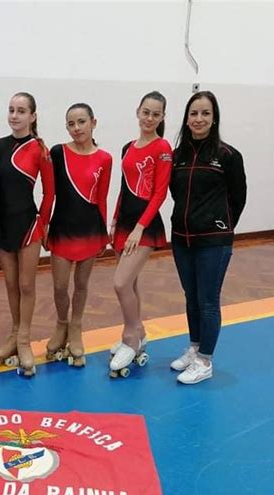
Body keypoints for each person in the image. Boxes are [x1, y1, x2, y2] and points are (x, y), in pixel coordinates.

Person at [169, 91, 247, 384]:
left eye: (205, 113)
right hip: (181, 238)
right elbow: (175, 193)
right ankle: (194, 347)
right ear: (187, 119)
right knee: (191, 298)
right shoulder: (177, 156)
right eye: (193, 113)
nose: (198, 119)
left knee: (208, 301)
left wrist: (221, 226)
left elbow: (238, 197)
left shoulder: (227, 155)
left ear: (214, 119)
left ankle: (205, 360)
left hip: (214, 241)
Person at [0, 92, 54, 376]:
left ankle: (25, 340)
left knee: (27, 285)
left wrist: (44, 222)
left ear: (33, 116)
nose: (14, 116)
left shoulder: (40, 149)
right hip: (2, 226)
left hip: (29, 226)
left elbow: (50, 192)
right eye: (11, 110)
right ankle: (15, 335)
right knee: (11, 284)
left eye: (21, 111)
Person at [109, 91, 172, 376]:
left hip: (145, 227)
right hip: (124, 223)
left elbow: (159, 194)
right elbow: (124, 188)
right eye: (146, 112)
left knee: (121, 283)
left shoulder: (163, 148)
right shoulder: (127, 147)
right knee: (130, 283)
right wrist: (115, 220)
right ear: (138, 111)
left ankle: (130, 340)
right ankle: (140, 332)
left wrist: (139, 228)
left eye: (156, 114)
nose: (149, 118)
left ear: (162, 117)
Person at [47, 103, 112, 367]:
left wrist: (104, 233)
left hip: (90, 230)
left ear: (93, 123)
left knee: (82, 286)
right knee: (60, 286)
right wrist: (43, 226)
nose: (76, 128)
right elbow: (49, 193)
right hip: (62, 229)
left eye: (81, 122)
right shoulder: (57, 152)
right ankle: (61, 323)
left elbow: (102, 198)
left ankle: (76, 327)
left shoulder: (105, 159)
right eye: (71, 124)